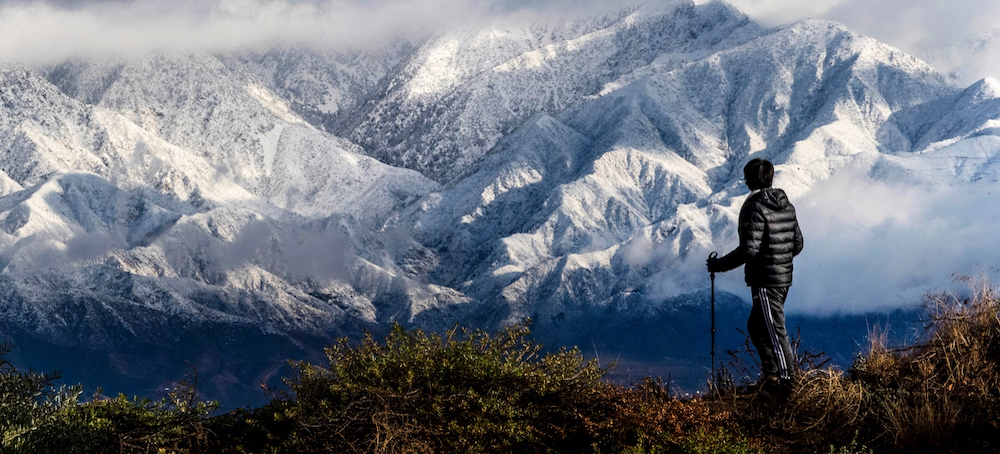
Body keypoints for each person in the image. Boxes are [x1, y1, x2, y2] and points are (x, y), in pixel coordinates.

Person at [707, 158, 803, 391]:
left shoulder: (753, 207)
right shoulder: (786, 206)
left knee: (773, 327)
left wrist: (718, 265)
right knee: (758, 326)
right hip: (784, 277)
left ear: (749, 181)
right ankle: (772, 376)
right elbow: (798, 244)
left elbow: (749, 250)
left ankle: (786, 382)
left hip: (765, 280)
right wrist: (780, 258)